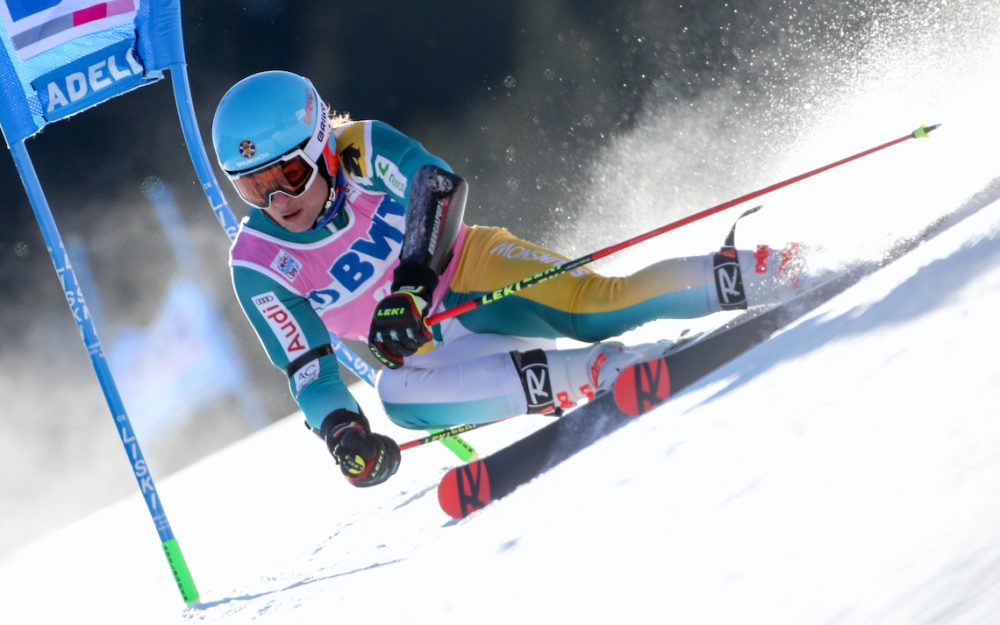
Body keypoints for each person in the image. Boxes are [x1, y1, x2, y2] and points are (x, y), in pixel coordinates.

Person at [212, 70, 808, 488]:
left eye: (288, 172)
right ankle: (600, 373)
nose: (278, 199)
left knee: (600, 306)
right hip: (422, 348)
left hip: (472, 271)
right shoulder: (258, 262)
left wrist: (412, 287)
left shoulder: (360, 149)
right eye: (253, 187)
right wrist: (343, 433)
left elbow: (439, 185)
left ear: (319, 143)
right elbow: (309, 368)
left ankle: (764, 271)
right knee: (396, 398)